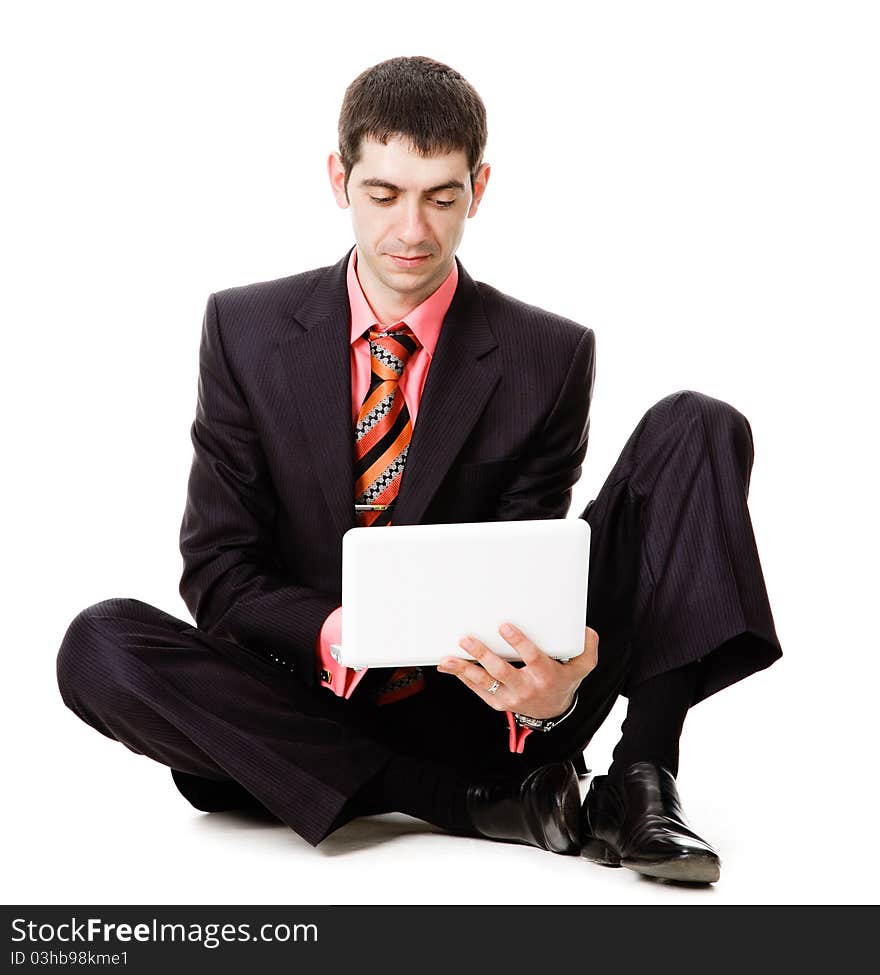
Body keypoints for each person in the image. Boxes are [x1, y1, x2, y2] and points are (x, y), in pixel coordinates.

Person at [55, 55, 782, 886]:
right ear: (340, 178)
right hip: (296, 706)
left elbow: (524, 561)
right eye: (385, 194)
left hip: (484, 703)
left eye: (442, 198)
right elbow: (219, 570)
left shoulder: (549, 353)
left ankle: (644, 781)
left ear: (479, 187)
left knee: (699, 423)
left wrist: (547, 689)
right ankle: (460, 802)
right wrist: (337, 633)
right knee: (98, 644)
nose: (412, 232)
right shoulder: (243, 330)